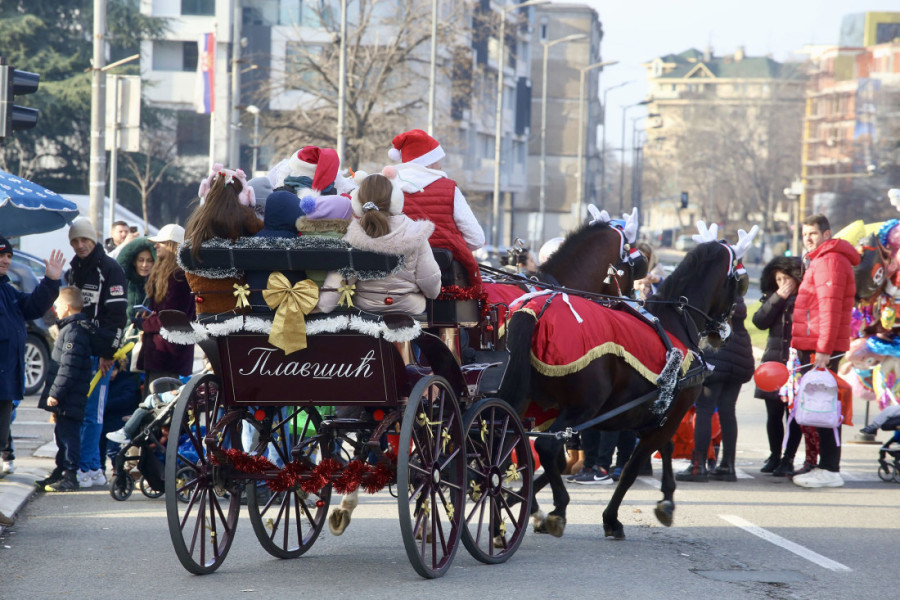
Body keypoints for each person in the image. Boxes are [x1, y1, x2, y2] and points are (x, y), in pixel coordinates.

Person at [791, 213, 860, 488]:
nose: (808, 238)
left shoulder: (829, 260)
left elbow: (830, 309)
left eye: (813, 233)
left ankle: (830, 469)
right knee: (819, 406)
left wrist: (823, 350)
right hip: (815, 345)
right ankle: (824, 466)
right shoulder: (821, 258)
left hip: (820, 348)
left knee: (824, 407)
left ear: (826, 234)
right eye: (805, 234)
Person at [317, 171, 441, 314]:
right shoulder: (415, 233)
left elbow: (339, 281)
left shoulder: (354, 237)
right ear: (396, 200)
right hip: (409, 309)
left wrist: (323, 307)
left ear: (358, 202)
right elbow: (430, 283)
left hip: (366, 311)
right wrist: (432, 293)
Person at [65, 217, 128, 488]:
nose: (80, 245)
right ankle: (88, 466)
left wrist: (108, 353)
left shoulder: (110, 269)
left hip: (99, 354)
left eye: (84, 240)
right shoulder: (73, 269)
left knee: (93, 414)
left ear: (94, 239)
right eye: (75, 241)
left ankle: (88, 468)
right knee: (77, 412)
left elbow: (118, 316)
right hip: (75, 350)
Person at [0, 239, 64, 500]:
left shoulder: (8, 291)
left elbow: (33, 307)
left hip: (7, 382)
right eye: (1, 256)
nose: (6, 260)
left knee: (1, 439)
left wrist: (50, 281)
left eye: (8, 256)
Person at [388, 129, 485, 289]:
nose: (440, 166)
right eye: (438, 160)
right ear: (430, 161)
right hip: (446, 278)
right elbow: (476, 239)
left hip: (397, 276)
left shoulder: (385, 187)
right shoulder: (449, 188)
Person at [677, 296, 755, 482]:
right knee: (728, 411)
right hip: (740, 352)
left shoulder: (713, 292)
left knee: (704, 410)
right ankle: (728, 465)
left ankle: (698, 466)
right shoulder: (736, 295)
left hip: (716, 352)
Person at [752, 256, 809, 477]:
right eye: (778, 279)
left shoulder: (805, 297)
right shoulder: (773, 297)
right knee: (773, 413)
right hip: (774, 361)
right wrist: (778, 298)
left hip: (797, 363)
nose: (782, 283)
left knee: (793, 414)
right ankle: (774, 455)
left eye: (786, 279)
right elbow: (759, 321)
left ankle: (788, 458)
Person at [183, 166, 263, 314]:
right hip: (237, 303)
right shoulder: (245, 216)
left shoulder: (198, 218)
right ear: (243, 195)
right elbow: (262, 240)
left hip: (205, 304)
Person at [37, 287, 93, 492]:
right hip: (68, 397)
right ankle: (60, 470)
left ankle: (70, 476)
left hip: (70, 397)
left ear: (67, 307)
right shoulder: (70, 329)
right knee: (62, 436)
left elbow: (68, 367)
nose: (55, 309)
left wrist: (55, 393)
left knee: (69, 438)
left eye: (57, 305)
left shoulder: (74, 332)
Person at [137, 224, 195, 391]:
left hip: (168, 354)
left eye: (161, 242)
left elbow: (172, 318)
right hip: (159, 354)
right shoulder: (167, 274)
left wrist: (144, 323)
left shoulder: (179, 277)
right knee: (153, 401)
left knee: (161, 401)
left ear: (172, 245)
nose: (155, 246)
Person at [115, 236, 156, 323]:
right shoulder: (124, 281)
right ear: (134, 262)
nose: (144, 265)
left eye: (149, 261)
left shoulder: (158, 286)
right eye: (141, 260)